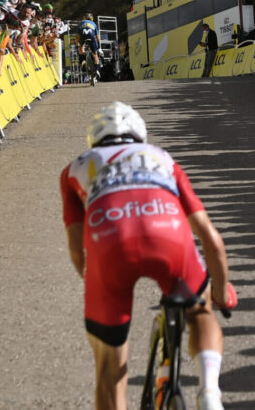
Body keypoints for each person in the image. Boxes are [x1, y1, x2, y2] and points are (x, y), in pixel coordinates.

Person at [60, 102, 236, 410]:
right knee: (200, 309)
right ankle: (209, 391)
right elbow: (211, 238)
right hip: (168, 236)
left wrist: (97, 284)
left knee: (109, 367)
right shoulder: (162, 158)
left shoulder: (75, 168)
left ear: (93, 141)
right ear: (140, 137)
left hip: (110, 246)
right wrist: (219, 292)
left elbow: (77, 252)